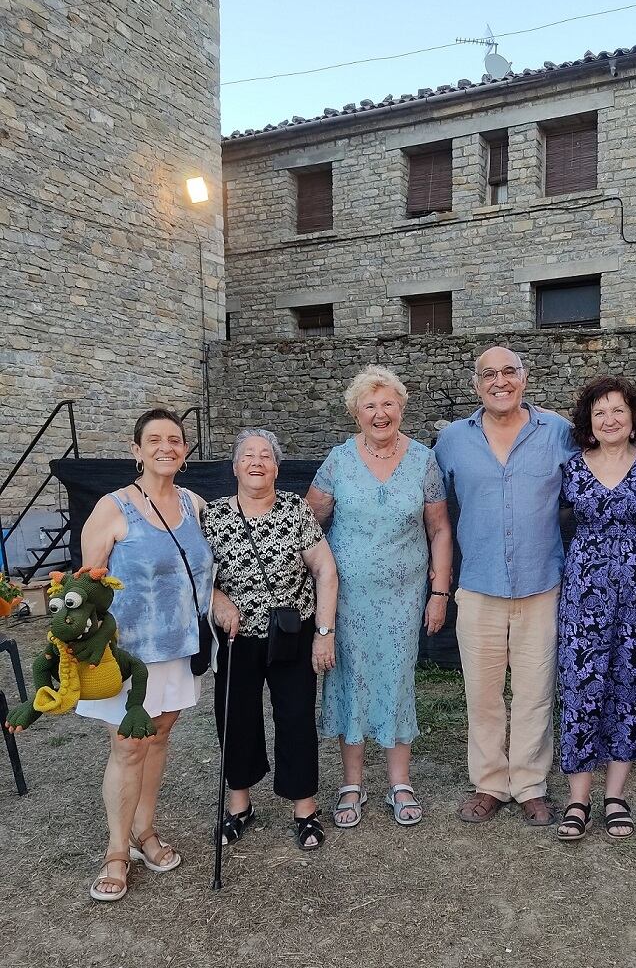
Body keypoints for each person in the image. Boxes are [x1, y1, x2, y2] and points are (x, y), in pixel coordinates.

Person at [434, 347, 575, 826]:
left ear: (525, 377)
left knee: (536, 691)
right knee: (483, 692)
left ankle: (530, 784)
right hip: (478, 586)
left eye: (509, 372)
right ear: (476, 384)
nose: (500, 381)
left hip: (542, 585)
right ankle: (491, 782)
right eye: (488, 375)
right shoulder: (452, 440)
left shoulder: (558, 432)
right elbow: (437, 514)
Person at [306, 366, 452, 828]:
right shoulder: (338, 460)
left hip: (404, 598)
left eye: (387, 403)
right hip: (347, 599)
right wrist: (315, 592)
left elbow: (439, 528)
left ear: (401, 408)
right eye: (369, 405)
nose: (380, 413)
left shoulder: (423, 460)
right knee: (350, 681)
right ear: (356, 413)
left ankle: (399, 782)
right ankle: (352, 784)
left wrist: (439, 590)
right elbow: (310, 525)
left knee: (396, 679)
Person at [79, 408, 214, 901]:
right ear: (137, 451)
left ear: (184, 450)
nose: (166, 447)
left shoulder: (196, 504)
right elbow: (85, 586)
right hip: (127, 655)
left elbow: (207, 573)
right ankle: (116, 852)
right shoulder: (113, 508)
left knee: (158, 738)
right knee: (128, 746)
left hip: (179, 649)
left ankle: (144, 832)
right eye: (154, 440)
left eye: (175, 440)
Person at [555, 376, 636, 842]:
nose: (609, 420)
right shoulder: (570, 469)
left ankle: (615, 796)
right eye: (599, 413)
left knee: (628, 688)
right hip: (584, 597)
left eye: (618, 412)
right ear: (589, 423)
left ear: (634, 420)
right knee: (581, 690)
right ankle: (577, 799)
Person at [202, 429, 338, 851]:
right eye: (248, 456)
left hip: (291, 634)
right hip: (234, 637)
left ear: (277, 467)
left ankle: (305, 810)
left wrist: (324, 634)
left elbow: (326, 573)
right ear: (235, 466)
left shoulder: (296, 510)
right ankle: (240, 806)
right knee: (236, 718)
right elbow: (192, 574)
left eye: (266, 456)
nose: (257, 462)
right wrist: (216, 597)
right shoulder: (212, 515)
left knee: (296, 718)